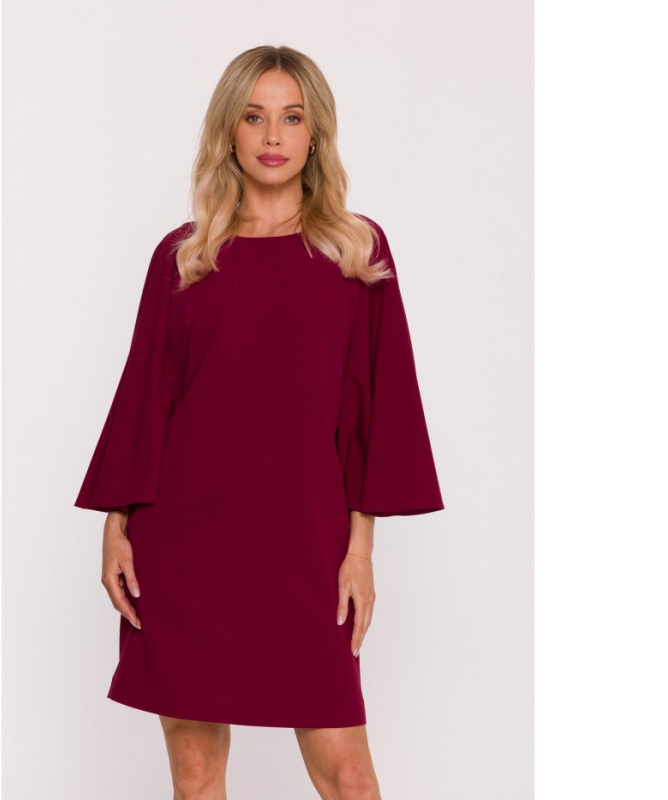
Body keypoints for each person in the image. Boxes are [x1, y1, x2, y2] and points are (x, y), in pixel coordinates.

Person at [74, 44, 444, 800]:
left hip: (306, 546)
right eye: (254, 116)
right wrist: (116, 525)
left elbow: (376, 408)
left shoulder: (355, 252)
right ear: (229, 131)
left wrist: (360, 550)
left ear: (315, 134)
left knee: (347, 774)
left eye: (292, 117)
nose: (273, 135)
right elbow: (146, 396)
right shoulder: (184, 256)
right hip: (184, 549)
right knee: (195, 776)